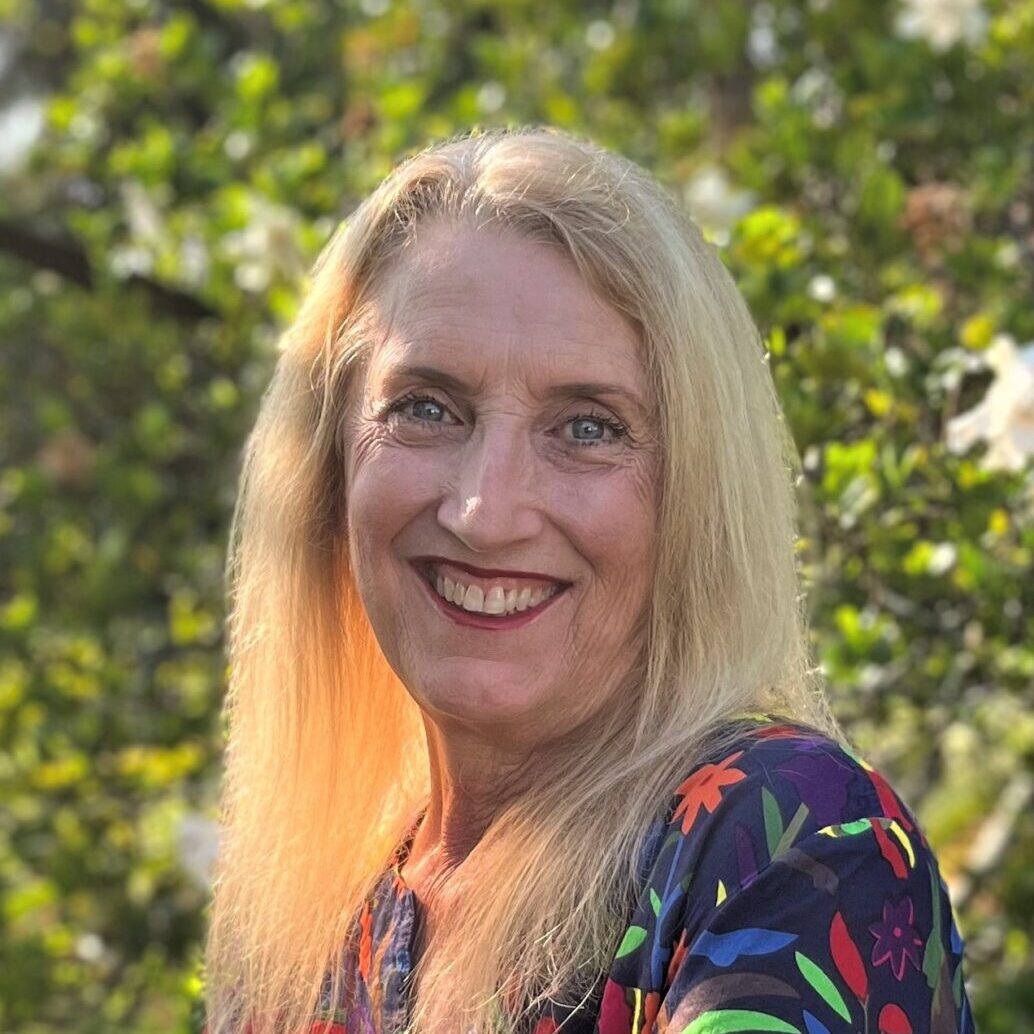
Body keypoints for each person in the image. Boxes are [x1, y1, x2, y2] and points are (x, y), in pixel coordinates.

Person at [201, 126, 975, 1034]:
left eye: (588, 427)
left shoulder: (791, 843)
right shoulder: (332, 925)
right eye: (426, 408)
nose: (486, 512)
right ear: (328, 470)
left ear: (692, 496)